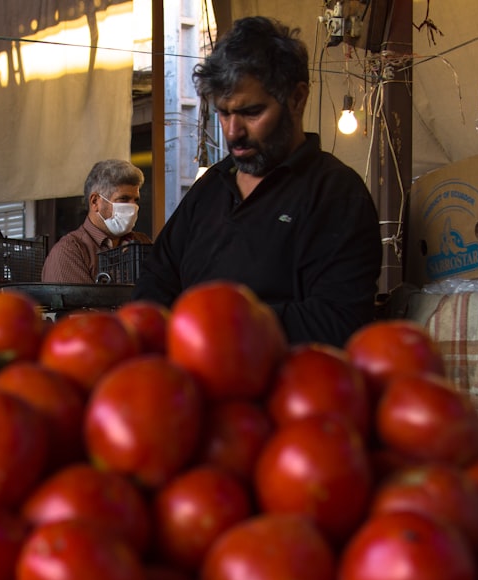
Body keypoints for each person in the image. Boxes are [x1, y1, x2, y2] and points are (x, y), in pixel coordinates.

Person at [132, 16, 382, 348]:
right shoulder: (210, 188)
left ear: (297, 99)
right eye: (223, 113)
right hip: (190, 385)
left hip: (286, 391)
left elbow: (338, 321)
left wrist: (218, 329)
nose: (233, 132)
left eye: (251, 113)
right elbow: (156, 281)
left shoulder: (336, 194)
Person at [41, 159, 152, 284]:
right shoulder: (69, 252)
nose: (133, 207)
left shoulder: (142, 243)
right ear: (95, 202)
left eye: (135, 200)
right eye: (124, 199)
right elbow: (83, 302)